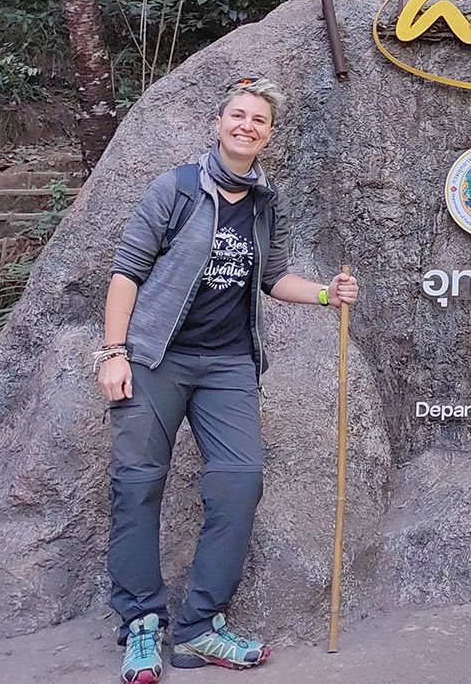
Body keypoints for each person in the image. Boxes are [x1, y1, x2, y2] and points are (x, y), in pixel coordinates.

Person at [95, 77, 357, 684]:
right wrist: (114, 352)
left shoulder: (267, 204)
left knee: (240, 481)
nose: (247, 126)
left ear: (269, 135)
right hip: (156, 359)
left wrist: (326, 294)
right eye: (238, 115)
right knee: (137, 485)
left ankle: (199, 629)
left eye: (258, 120)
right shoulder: (178, 188)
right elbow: (126, 272)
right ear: (218, 123)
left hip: (229, 365)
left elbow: (274, 279)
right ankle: (141, 625)